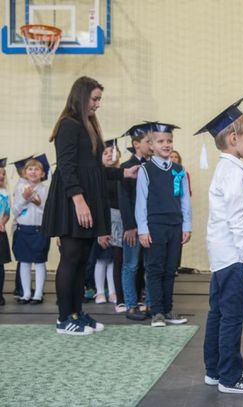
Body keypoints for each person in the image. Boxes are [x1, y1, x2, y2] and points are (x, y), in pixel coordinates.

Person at [42, 76, 139, 336]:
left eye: (99, 99)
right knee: (71, 258)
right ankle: (64, 318)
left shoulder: (90, 126)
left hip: (87, 199)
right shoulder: (68, 125)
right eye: (95, 99)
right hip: (73, 202)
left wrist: (122, 173)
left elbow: (95, 170)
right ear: (82, 97)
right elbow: (66, 167)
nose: (98, 104)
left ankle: (76, 313)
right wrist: (78, 200)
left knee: (82, 260)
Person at [195, 97, 243, 395]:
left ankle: (215, 371)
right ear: (233, 139)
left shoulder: (228, 169)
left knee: (219, 314)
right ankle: (230, 377)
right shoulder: (234, 172)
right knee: (233, 317)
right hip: (235, 258)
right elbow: (239, 221)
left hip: (222, 257)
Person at [135, 122, 191, 327]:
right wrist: (143, 229)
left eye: (169, 141)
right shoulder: (146, 170)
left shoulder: (179, 170)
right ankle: (157, 311)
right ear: (151, 145)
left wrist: (186, 225)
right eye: (160, 141)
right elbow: (141, 201)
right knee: (155, 269)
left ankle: (167, 310)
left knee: (170, 269)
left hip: (175, 225)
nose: (166, 145)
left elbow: (184, 199)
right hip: (155, 226)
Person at [118, 123, 153, 320]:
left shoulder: (154, 166)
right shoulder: (126, 167)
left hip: (150, 224)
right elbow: (124, 199)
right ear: (136, 144)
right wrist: (130, 226)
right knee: (130, 265)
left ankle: (149, 304)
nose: (151, 145)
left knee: (150, 266)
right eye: (148, 141)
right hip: (133, 225)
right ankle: (131, 305)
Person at [12, 156, 51, 304]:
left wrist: (39, 203)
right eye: (30, 169)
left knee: (39, 262)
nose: (33, 172)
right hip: (23, 229)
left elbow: (49, 212)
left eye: (37, 169)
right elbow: (15, 211)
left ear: (42, 173)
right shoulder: (20, 188)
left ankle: (38, 294)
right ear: (24, 173)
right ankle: (26, 293)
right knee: (24, 262)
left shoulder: (46, 190)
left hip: (39, 230)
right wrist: (24, 198)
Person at [93, 139, 123, 306]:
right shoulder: (98, 176)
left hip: (119, 220)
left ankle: (112, 291)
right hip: (103, 220)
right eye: (105, 153)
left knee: (113, 259)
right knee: (101, 259)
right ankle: (99, 291)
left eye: (112, 152)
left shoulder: (122, 173)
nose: (110, 155)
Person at [0, 159, 11, 306]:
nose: (1, 176)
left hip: (0, 232)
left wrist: (3, 221)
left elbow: (7, 212)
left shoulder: (4, 193)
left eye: (3, 174)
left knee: (0, 265)